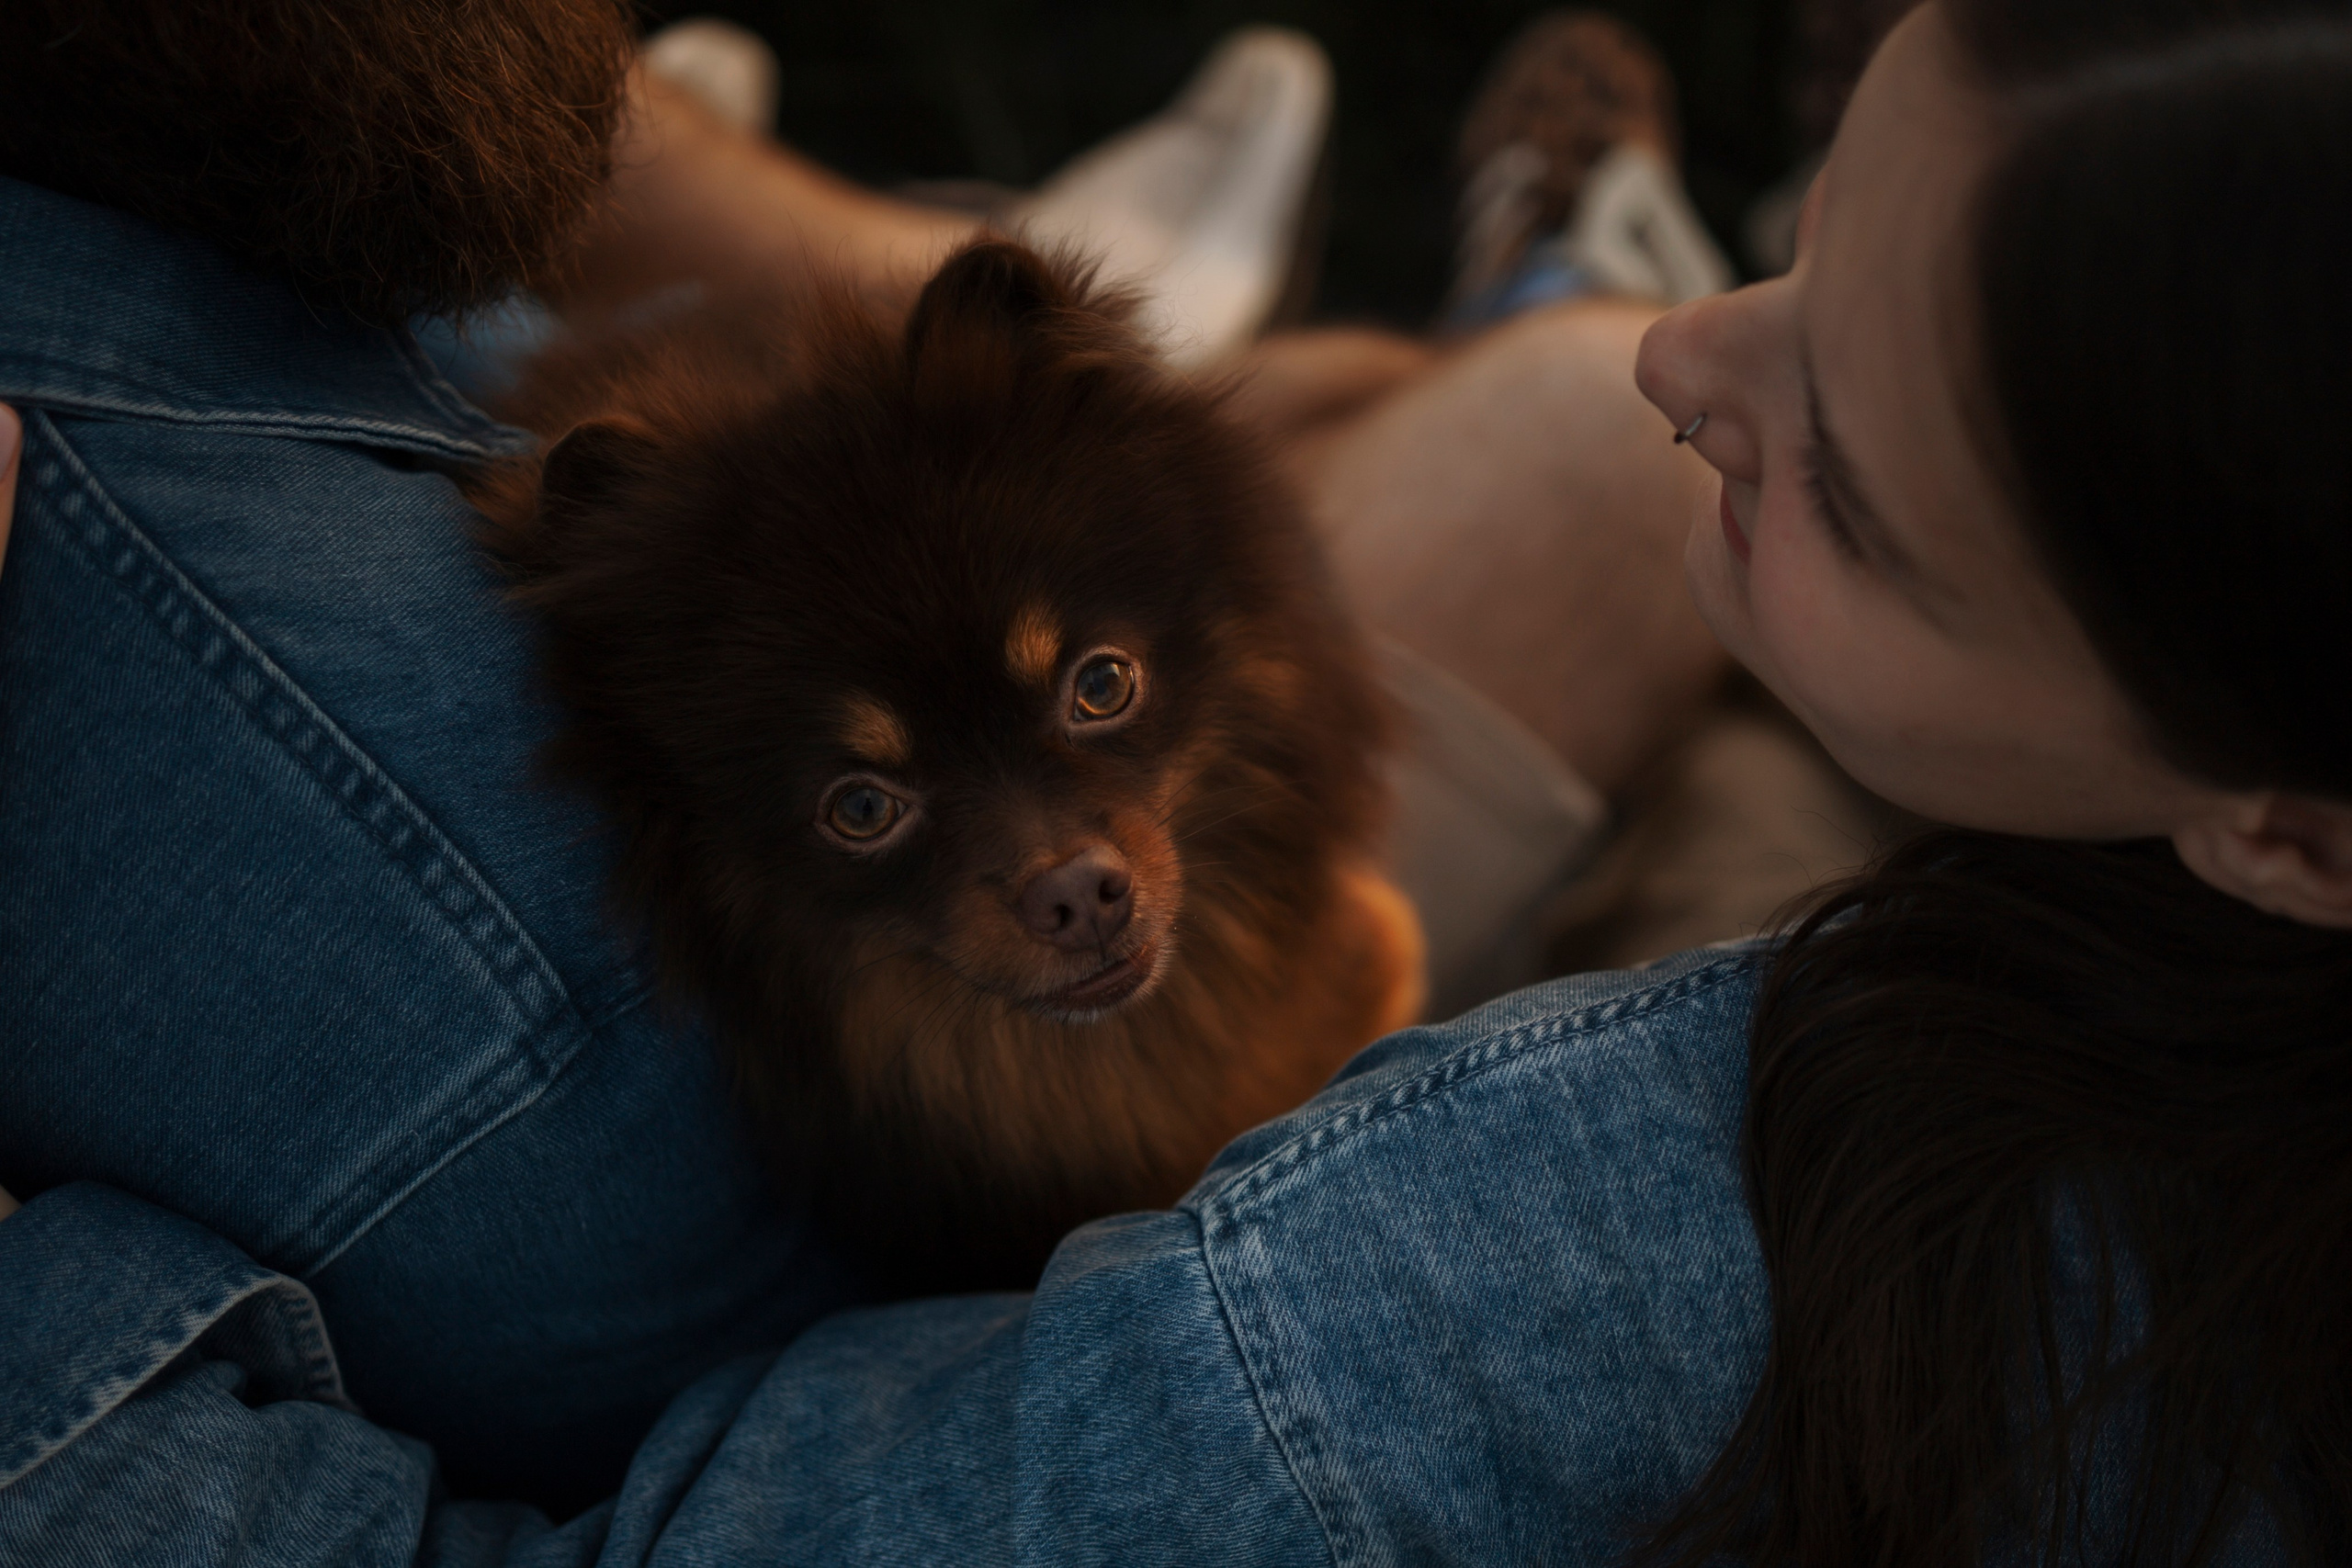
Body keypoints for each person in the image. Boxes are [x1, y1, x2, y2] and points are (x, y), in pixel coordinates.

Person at [7, 0, 2351, 1561]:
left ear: (2288, 831)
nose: (1691, 350)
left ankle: (1468, 303)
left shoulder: (1491, 1286)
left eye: (1849, 472)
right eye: (1798, 238)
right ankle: (1424, 310)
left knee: (1563, 430)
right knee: (1551, 425)